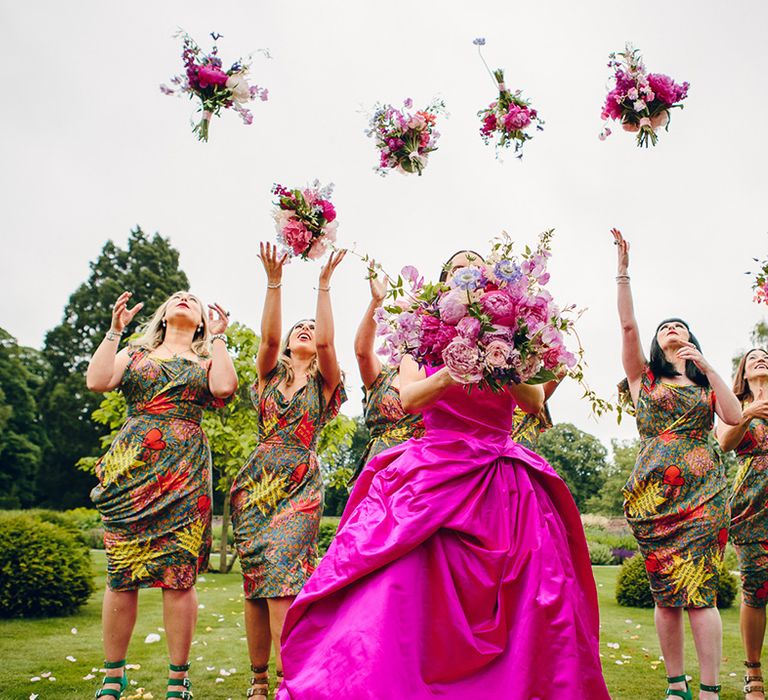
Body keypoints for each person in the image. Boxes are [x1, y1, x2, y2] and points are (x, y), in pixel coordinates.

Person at [275, 250, 610, 699]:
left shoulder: (511, 338)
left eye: (475, 262)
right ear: (444, 283)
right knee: (401, 589)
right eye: (458, 264)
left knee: (535, 591)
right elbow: (410, 398)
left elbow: (532, 403)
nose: (467, 268)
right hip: (432, 475)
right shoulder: (421, 341)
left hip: (502, 483)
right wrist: (452, 374)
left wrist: (499, 357)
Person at [612, 228, 742, 700]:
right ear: (656, 344)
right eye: (665, 326)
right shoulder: (641, 379)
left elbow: (732, 417)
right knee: (666, 595)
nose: (672, 328)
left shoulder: (707, 385)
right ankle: (676, 686)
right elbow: (628, 327)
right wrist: (623, 273)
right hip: (653, 500)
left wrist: (708, 367)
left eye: (679, 325)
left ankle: (709, 688)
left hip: (705, 495)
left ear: (691, 338)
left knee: (701, 591)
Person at [88, 290, 237, 699]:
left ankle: (178, 680)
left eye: (193, 299)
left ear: (203, 320)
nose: (185, 298)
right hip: (132, 470)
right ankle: (113, 675)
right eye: (177, 296)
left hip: (184, 473)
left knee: (179, 576)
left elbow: (224, 386)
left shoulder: (207, 360)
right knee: (121, 574)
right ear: (164, 314)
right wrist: (114, 331)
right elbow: (97, 380)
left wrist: (220, 338)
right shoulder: (135, 354)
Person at [230, 243, 347, 699]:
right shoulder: (267, 375)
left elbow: (326, 342)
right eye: (298, 327)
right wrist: (273, 282)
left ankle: (291, 681)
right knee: (256, 586)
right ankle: (259, 681)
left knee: (282, 578)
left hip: (300, 482)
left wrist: (322, 286)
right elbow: (268, 341)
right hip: (255, 484)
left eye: (309, 328)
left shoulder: (326, 381)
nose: (305, 331)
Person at [717, 348, 768, 700]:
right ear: (743, 372)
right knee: (756, 590)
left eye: (766, 355)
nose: (761, 358)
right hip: (752, 508)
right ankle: (753, 674)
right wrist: (748, 413)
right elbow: (724, 442)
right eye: (753, 357)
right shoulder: (734, 403)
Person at [349, 261, 424, 484]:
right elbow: (362, 352)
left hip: (422, 472)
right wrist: (377, 302)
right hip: (381, 470)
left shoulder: (435, 376)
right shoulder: (383, 376)